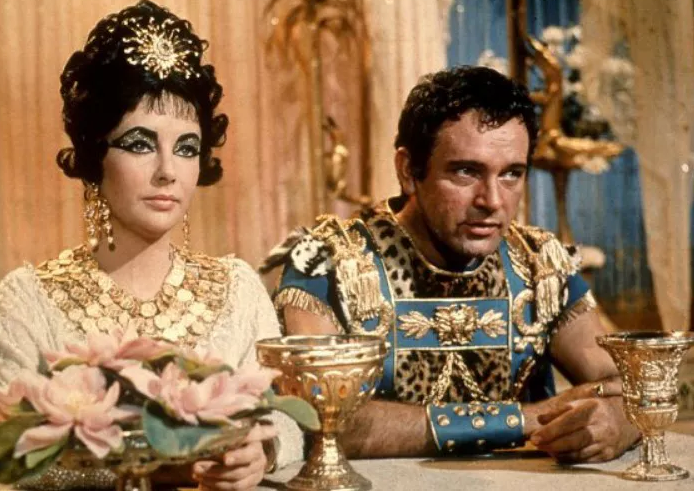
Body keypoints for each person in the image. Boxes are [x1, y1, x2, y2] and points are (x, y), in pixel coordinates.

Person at [0, 0, 302, 490]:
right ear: (95, 156)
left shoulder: (237, 288)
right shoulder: (28, 299)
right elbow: (10, 453)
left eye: (186, 147)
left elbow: (289, 417)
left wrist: (262, 450)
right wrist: (147, 468)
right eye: (140, 143)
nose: (167, 171)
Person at [264, 66, 639, 462]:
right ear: (408, 170)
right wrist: (524, 419)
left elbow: (628, 388)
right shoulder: (329, 262)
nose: (492, 201)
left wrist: (619, 423)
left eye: (511, 174)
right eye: (466, 171)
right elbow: (319, 419)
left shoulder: (540, 262)